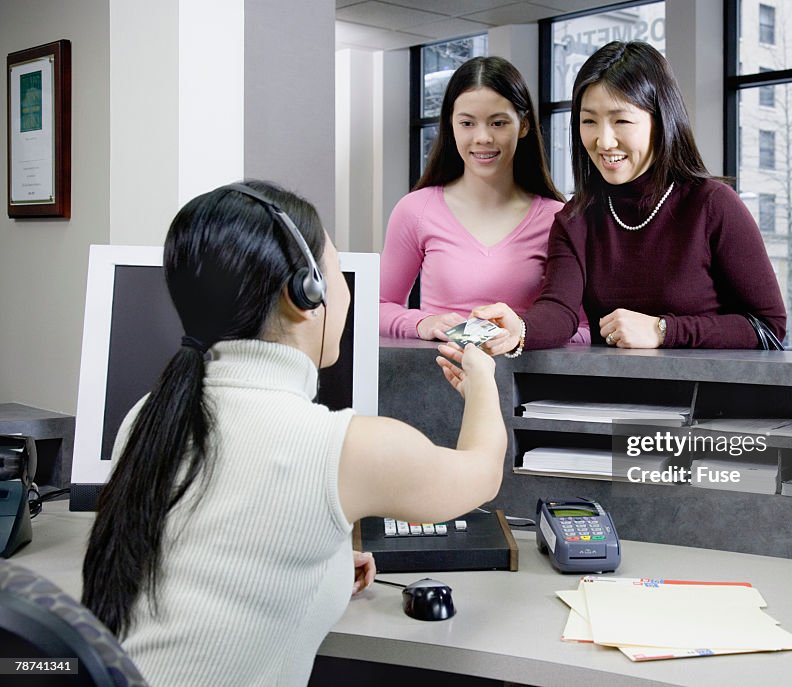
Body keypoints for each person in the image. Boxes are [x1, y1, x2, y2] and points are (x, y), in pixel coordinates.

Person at [81, 181, 505, 687]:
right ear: (305, 295)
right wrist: (482, 382)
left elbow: (203, 555)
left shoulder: (147, 417)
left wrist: (316, 567)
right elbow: (481, 472)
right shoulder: (343, 446)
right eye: (336, 269)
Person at [474, 41, 785, 356]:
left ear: (660, 121)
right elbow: (559, 309)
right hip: (612, 398)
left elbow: (769, 326)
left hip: (705, 398)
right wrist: (520, 329)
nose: (604, 141)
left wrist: (663, 330)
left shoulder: (713, 204)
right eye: (589, 121)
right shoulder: (576, 218)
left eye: (621, 121)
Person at [379, 56, 588, 344]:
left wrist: (522, 335)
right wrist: (422, 322)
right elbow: (375, 307)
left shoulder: (558, 218)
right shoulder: (416, 210)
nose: (482, 137)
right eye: (467, 123)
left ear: (524, 125)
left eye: (498, 123)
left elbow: (583, 328)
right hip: (436, 378)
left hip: (522, 383)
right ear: (450, 126)